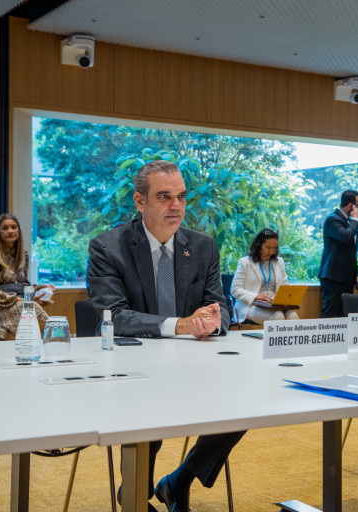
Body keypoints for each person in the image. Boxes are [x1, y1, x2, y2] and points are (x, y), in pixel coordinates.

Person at [87, 160, 239, 512]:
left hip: (193, 364)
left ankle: (179, 481)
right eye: (164, 196)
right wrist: (182, 325)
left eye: (181, 197)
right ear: (140, 201)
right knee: (149, 409)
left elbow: (220, 307)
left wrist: (212, 321)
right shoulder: (108, 247)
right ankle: (135, 490)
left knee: (240, 406)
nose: (176, 206)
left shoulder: (202, 246)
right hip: (131, 367)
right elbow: (114, 316)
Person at [0, 213, 54, 340]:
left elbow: (20, 285)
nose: (10, 231)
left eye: (13, 227)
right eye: (5, 228)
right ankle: (51, 342)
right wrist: (21, 300)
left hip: (15, 306)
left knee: (28, 309)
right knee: (28, 308)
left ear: (18, 230)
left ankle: (41, 344)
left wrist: (38, 290)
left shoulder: (23, 255)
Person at [231, 228, 300, 324]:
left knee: (293, 315)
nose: (271, 251)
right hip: (251, 305)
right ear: (259, 245)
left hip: (274, 304)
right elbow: (235, 289)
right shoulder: (245, 262)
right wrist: (256, 297)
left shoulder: (279, 262)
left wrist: (282, 297)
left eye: (274, 248)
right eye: (268, 247)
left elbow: (284, 286)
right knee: (278, 316)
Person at [319, 190, 358, 318]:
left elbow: (352, 251)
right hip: (333, 276)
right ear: (350, 206)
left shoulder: (350, 223)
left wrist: (356, 274)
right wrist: (355, 220)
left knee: (345, 315)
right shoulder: (333, 220)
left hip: (347, 277)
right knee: (331, 314)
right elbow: (346, 236)